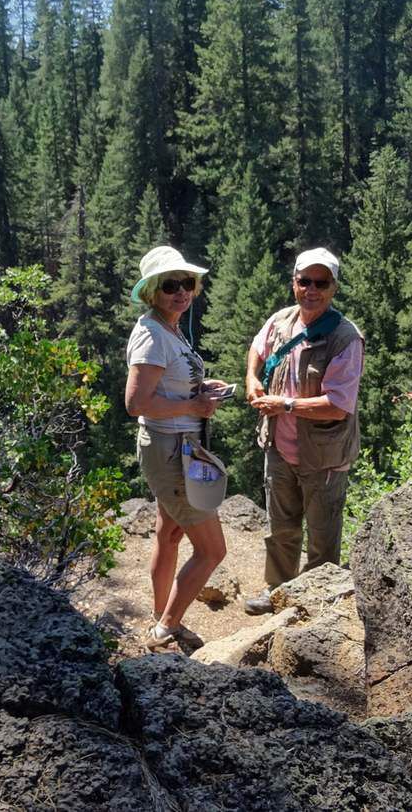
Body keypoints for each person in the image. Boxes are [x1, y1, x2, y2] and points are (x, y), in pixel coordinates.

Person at [242, 248, 364, 615]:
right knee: (281, 527)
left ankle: (317, 607)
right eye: (304, 281)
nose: (312, 289)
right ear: (293, 283)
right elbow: (257, 349)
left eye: (321, 283)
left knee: (323, 537)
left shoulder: (345, 338)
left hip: (324, 457)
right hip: (279, 446)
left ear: (334, 288)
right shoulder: (281, 321)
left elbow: (339, 404)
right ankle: (277, 592)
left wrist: (286, 405)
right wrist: (251, 378)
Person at [125, 246, 230, 651]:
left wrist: (199, 390)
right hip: (172, 449)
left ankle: (159, 616)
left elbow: (165, 386)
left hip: (174, 445)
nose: (181, 292)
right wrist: (194, 405)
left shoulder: (169, 328)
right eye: (170, 286)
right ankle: (167, 628)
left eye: (187, 283)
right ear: (152, 291)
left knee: (169, 535)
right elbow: (136, 403)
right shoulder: (153, 335)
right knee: (212, 550)